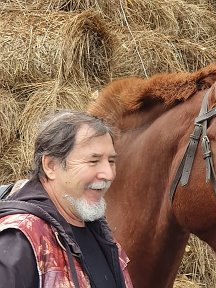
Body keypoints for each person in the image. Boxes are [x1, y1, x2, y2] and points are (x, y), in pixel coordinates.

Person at [0, 110, 133, 288]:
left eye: (111, 161)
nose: (108, 174)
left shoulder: (101, 234)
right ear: (51, 165)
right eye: (93, 161)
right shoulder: (20, 241)